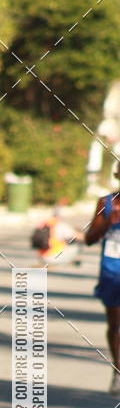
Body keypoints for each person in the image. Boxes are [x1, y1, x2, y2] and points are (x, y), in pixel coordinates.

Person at [85, 168, 120, 396]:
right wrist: (107, 222)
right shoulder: (106, 203)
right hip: (112, 270)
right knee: (116, 324)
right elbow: (89, 238)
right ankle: (118, 370)